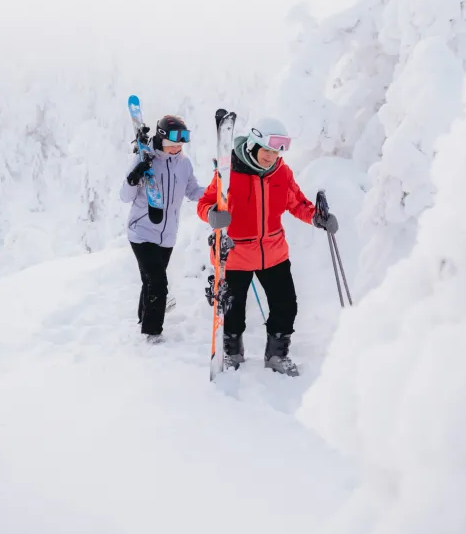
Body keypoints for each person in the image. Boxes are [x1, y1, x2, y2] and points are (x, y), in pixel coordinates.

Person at [197, 117, 338, 375]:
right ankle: (232, 352)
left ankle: (277, 354)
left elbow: (296, 203)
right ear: (253, 146)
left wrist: (317, 218)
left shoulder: (281, 173)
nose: (271, 157)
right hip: (236, 254)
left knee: (286, 304)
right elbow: (205, 203)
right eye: (267, 151)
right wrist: (211, 214)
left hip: (273, 253)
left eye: (276, 152)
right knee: (233, 308)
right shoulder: (228, 173)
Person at [120, 114, 206, 341]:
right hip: (141, 231)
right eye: (173, 144)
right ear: (161, 139)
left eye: (180, 145)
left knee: (150, 280)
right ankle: (152, 332)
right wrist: (135, 176)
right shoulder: (145, 158)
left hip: (167, 235)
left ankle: (144, 316)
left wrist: (215, 193)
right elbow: (125, 197)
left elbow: (192, 190)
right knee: (158, 282)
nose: (177, 149)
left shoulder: (184, 163)